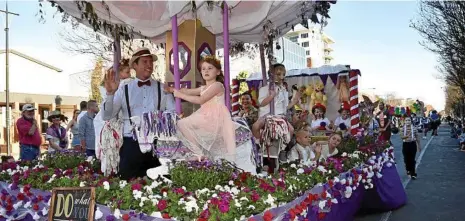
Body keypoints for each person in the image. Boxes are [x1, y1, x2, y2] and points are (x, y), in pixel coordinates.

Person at [102, 47, 175, 180]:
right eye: (145, 62)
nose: (149, 65)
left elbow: (172, 112)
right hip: (131, 143)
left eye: (150, 62)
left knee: (161, 184)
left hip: (157, 144)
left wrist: (160, 121)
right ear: (134, 65)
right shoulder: (123, 89)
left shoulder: (162, 88)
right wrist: (110, 94)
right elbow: (107, 116)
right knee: (128, 183)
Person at [170, 55, 236, 162]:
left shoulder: (218, 85)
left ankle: (198, 153)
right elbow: (187, 91)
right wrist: (173, 90)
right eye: (203, 69)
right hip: (205, 115)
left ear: (218, 72)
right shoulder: (203, 87)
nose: (206, 71)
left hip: (215, 117)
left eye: (210, 68)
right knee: (182, 124)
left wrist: (180, 95)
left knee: (182, 123)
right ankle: (198, 152)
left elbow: (201, 100)